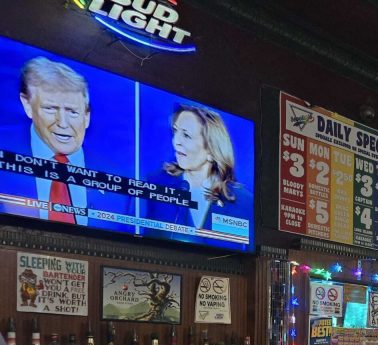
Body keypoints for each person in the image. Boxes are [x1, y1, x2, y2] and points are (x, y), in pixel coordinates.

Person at [1, 57, 130, 229]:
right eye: (50, 108)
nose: (62, 123)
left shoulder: (119, 179)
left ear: (87, 116)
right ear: (27, 105)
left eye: (72, 112)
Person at [142, 104, 252, 237]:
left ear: (212, 150)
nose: (176, 141)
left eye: (186, 135)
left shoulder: (243, 202)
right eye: (175, 131)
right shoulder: (155, 184)